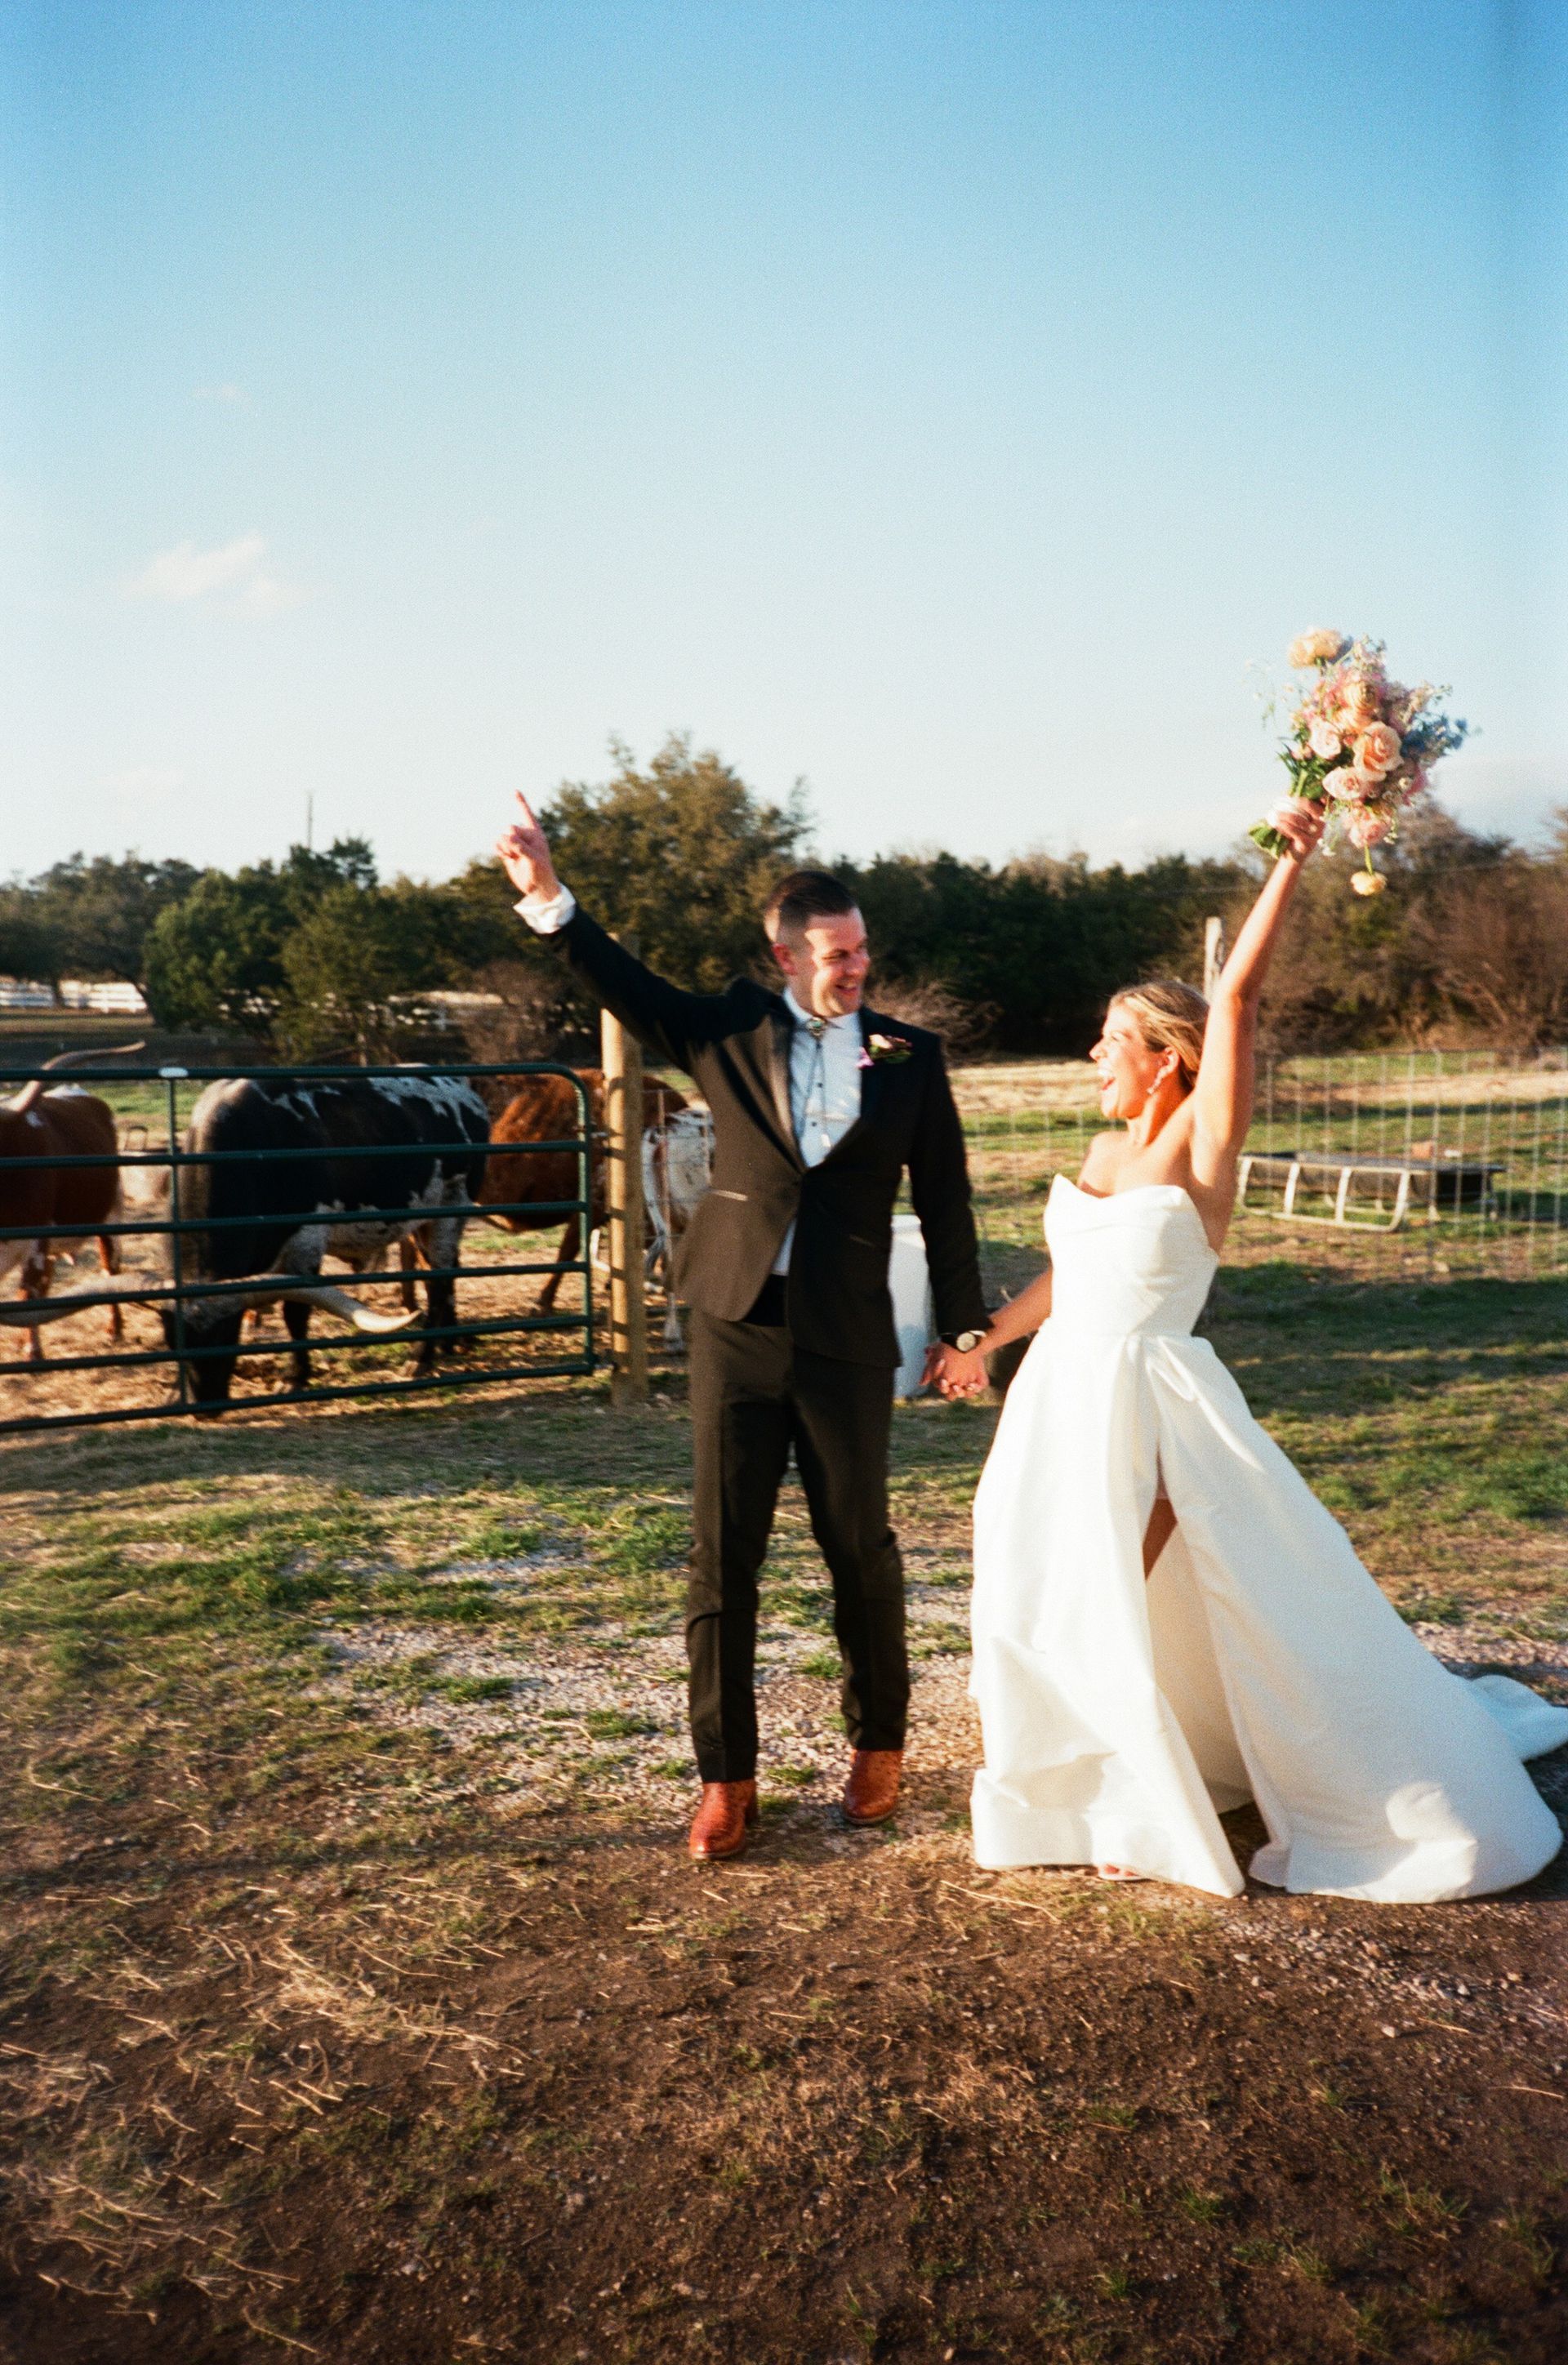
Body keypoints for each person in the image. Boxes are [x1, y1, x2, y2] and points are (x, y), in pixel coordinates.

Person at [940, 801, 1568, 1900]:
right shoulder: (1099, 1147)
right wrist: (988, 1339)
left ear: (1168, 1061)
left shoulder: (1202, 1152)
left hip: (1149, 1400)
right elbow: (1073, 1273)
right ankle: (1068, 1784)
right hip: (1057, 1401)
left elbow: (1236, 997)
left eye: (1111, 1040)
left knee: (1105, 1589)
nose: (1094, 1053)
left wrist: (1295, 852)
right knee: (1029, 1587)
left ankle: (1130, 1801)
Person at [495, 795, 989, 1860]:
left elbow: (948, 1204)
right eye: (835, 954)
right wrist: (549, 897)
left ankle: (879, 1746)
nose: (855, 969)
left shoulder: (912, 1056)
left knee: (860, 1548)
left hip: (852, 1334)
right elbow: (620, 984)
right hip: (734, 1324)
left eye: (861, 952)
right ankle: (727, 1777)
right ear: (782, 955)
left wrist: (966, 1331)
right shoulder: (724, 1030)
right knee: (722, 1559)